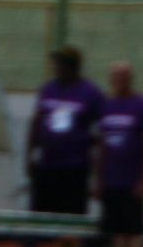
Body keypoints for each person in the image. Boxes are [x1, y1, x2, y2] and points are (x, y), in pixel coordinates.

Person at [93, 61, 143, 247]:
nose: (117, 80)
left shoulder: (142, 106)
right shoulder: (107, 106)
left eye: (122, 76)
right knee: (117, 228)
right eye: (114, 76)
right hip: (111, 177)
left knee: (133, 228)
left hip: (132, 178)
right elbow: (101, 146)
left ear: (130, 78)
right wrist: (99, 179)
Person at [25, 47, 104, 217]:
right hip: (47, 165)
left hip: (74, 169)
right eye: (56, 64)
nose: (56, 68)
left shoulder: (91, 93)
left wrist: (98, 172)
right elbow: (36, 122)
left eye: (60, 64)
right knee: (42, 214)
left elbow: (102, 130)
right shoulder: (48, 89)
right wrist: (30, 155)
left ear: (72, 67)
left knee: (71, 216)